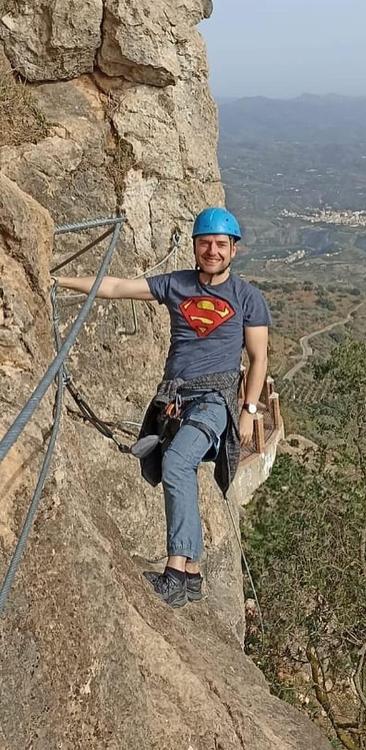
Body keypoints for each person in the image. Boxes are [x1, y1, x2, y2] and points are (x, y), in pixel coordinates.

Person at [55, 207, 271, 607]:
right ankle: (190, 574)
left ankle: (174, 572)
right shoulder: (177, 285)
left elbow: (259, 358)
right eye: (205, 243)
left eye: (220, 244)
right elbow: (117, 287)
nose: (212, 250)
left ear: (233, 250)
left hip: (214, 401)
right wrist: (59, 280)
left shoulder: (247, 298)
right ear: (195, 246)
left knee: (176, 463)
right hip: (175, 399)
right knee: (177, 466)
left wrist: (249, 411)